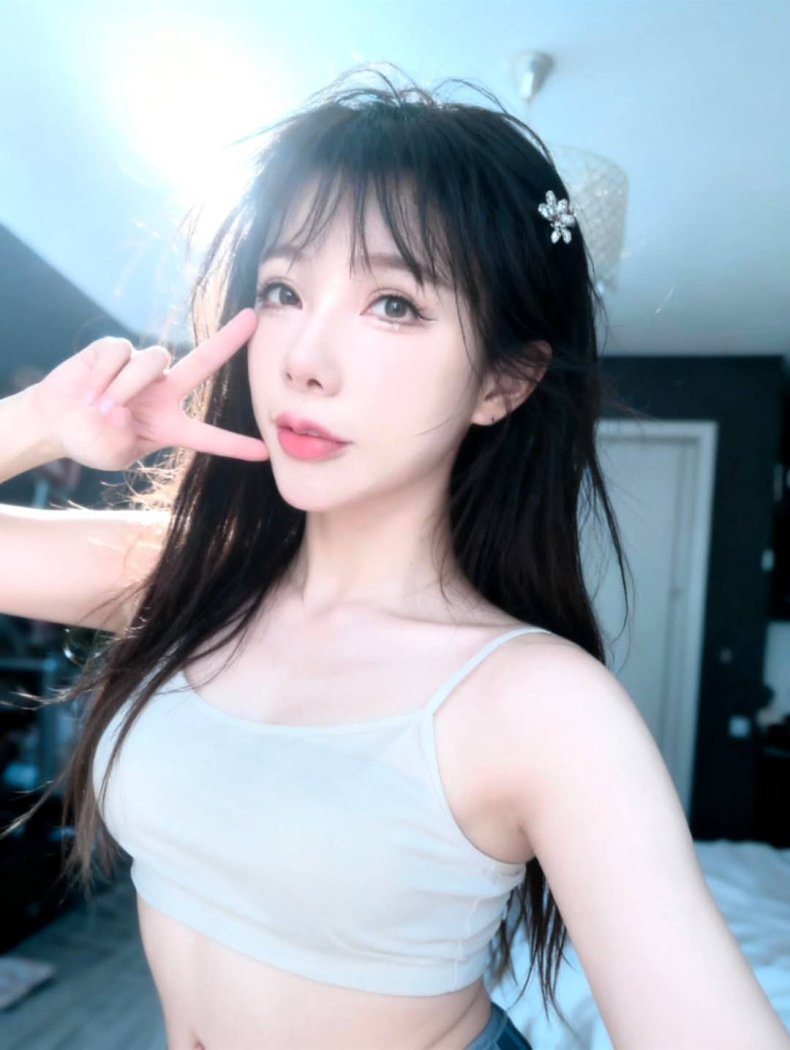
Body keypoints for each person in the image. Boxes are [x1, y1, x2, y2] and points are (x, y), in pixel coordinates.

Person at [1, 65, 787, 1050]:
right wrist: (42, 422)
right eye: (283, 290)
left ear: (503, 383)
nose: (304, 358)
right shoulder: (187, 576)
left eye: (395, 304)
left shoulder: (537, 704)